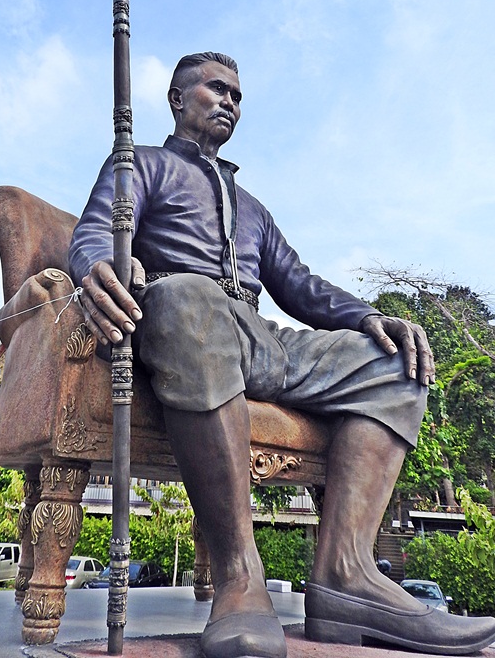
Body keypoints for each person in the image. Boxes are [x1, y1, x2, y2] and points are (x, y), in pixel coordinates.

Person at [69, 52, 495, 658]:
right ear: (177, 99)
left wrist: (369, 316)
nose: (230, 102)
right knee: (189, 297)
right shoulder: (141, 164)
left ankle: (347, 575)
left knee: (392, 363)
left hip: (262, 340)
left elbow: (299, 284)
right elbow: (96, 230)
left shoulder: (253, 209)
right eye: (217, 89)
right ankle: (239, 578)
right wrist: (98, 266)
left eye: (237, 96)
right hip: (186, 322)